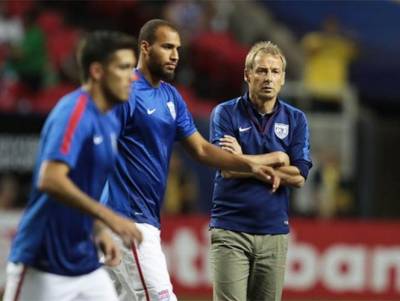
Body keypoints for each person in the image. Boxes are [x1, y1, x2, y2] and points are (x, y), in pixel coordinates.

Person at [100, 19, 279, 301]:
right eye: (167, 47)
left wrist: (250, 164)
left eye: (178, 49)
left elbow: (201, 150)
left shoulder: (171, 96)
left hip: (142, 219)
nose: (175, 56)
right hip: (126, 220)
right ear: (145, 48)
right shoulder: (126, 91)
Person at [3, 30, 142, 301]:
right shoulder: (74, 112)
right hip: (42, 264)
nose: (132, 76)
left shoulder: (110, 119)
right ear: (97, 71)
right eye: (124, 67)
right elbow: (50, 179)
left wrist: (99, 229)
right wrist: (109, 217)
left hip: (84, 263)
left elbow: (87, 185)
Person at [209, 41, 312, 301]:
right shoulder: (225, 113)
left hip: (274, 233)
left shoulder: (296, 119)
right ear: (247, 75)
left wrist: (242, 159)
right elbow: (226, 168)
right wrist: (277, 159)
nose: (268, 78)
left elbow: (299, 176)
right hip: (231, 230)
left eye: (274, 72)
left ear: (283, 78)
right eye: (262, 71)